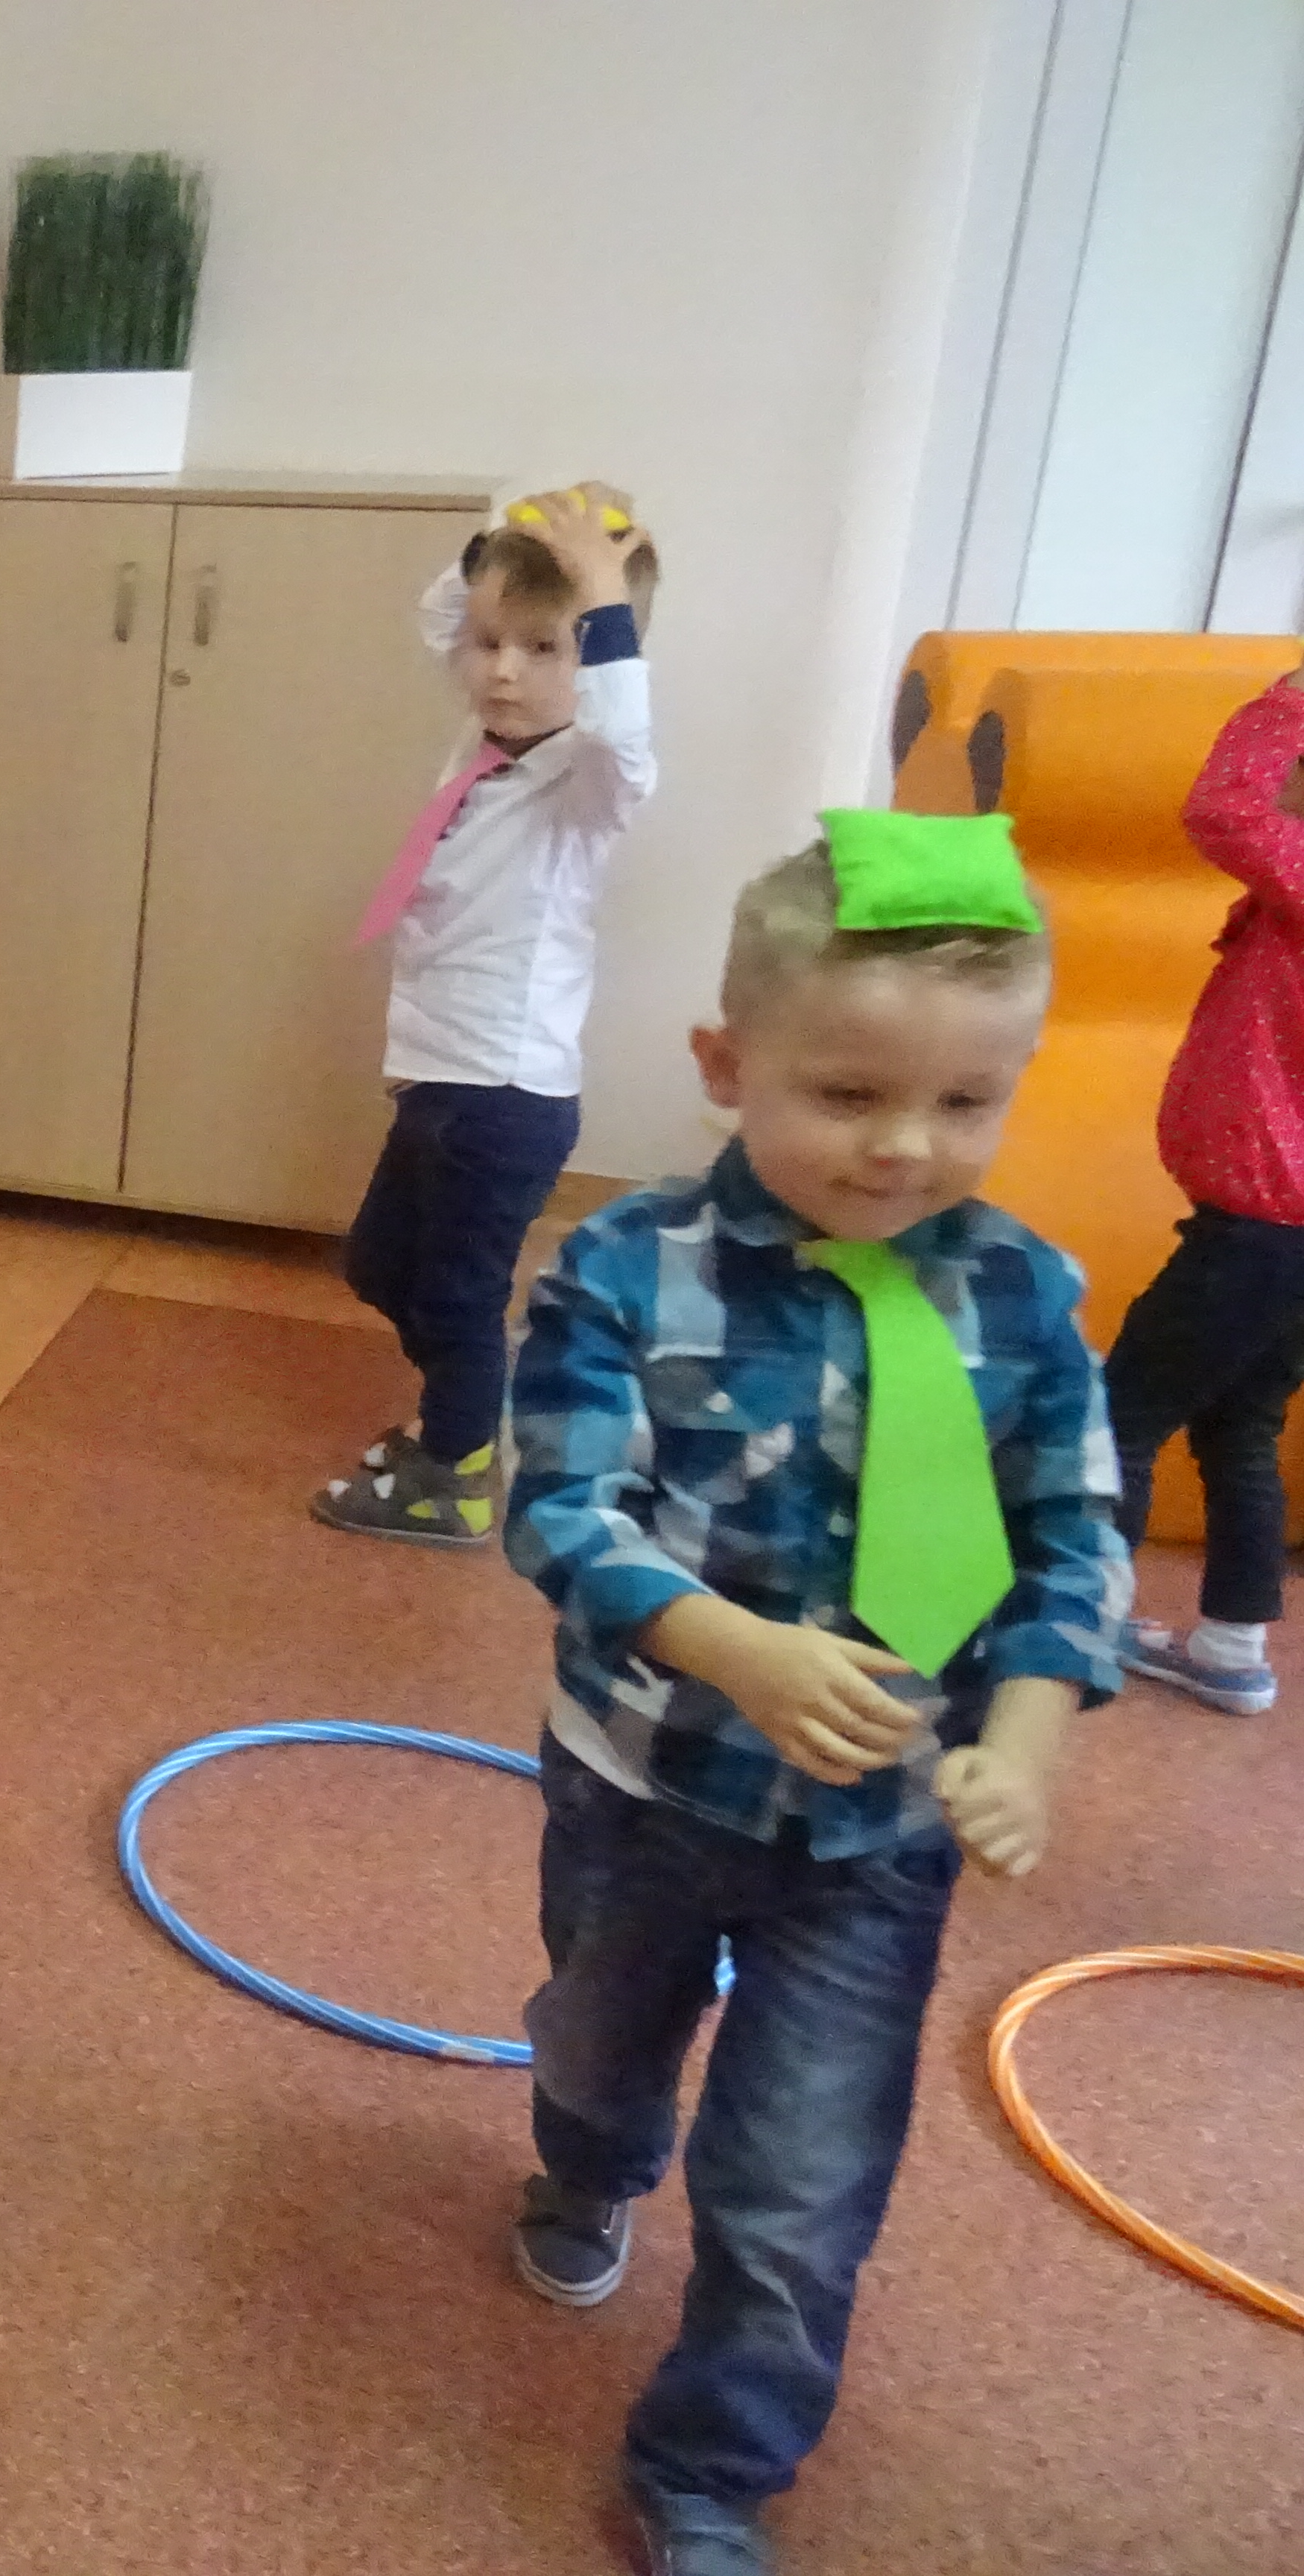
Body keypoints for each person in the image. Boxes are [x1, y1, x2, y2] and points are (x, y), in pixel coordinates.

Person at [499, 817, 1127, 2576]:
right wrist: (735, 1647)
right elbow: (560, 1509)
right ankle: (585, 2162)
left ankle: (712, 2475)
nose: (906, 1145)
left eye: (966, 1101)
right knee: (599, 2046)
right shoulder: (629, 1267)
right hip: (645, 1782)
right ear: (728, 1064)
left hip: (877, 1837)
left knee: (801, 2184)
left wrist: (1024, 1740)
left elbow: (1074, 1532)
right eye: (849, 1094)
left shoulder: (1025, 1296)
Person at [317, 484, 661, 1544]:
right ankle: (470, 1406)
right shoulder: (484, 743)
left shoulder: (580, 786)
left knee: (459, 1299)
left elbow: (625, 738)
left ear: (594, 663)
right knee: (379, 1266)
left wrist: (602, 593)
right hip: (439, 1074)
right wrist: (523, 518)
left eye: (543, 649)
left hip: (504, 1096)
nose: (502, 670)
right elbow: (446, 612)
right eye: (491, 645)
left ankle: (458, 1470)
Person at [1101, 667, 1304, 1714]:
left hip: (1263, 1231)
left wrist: (1291, 699)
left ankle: (1082, 1621)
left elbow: (1224, 808)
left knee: (1119, 1414)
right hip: (1281, 1235)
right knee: (1240, 1423)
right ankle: (1231, 1646)